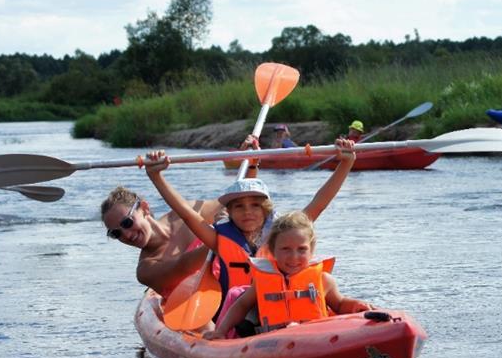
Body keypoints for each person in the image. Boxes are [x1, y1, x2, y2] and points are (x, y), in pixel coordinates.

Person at [144, 138, 356, 322]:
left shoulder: (283, 232)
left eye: (255, 205)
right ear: (229, 211)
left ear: (265, 209)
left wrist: (346, 162)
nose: (247, 212)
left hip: (289, 316)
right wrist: (156, 177)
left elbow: (319, 202)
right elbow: (187, 214)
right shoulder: (219, 239)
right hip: (239, 319)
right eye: (239, 206)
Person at [100, 136, 261, 302]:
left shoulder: (185, 213)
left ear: (145, 209)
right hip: (206, 306)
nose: (125, 234)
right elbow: (184, 266)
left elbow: (239, 203)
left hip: (240, 285)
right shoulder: (145, 269)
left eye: (127, 222)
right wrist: (222, 232)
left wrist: (250, 163)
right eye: (116, 234)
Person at [203, 211, 373, 339]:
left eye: (302, 249)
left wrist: (355, 305)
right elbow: (241, 306)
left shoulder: (323, 280)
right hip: (272, 343)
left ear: (311, 250)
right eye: (285, 249)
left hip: (315, 339)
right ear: (272, 251)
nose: (294, 257)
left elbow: (340, 304)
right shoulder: (262, 281)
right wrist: (220, 332)